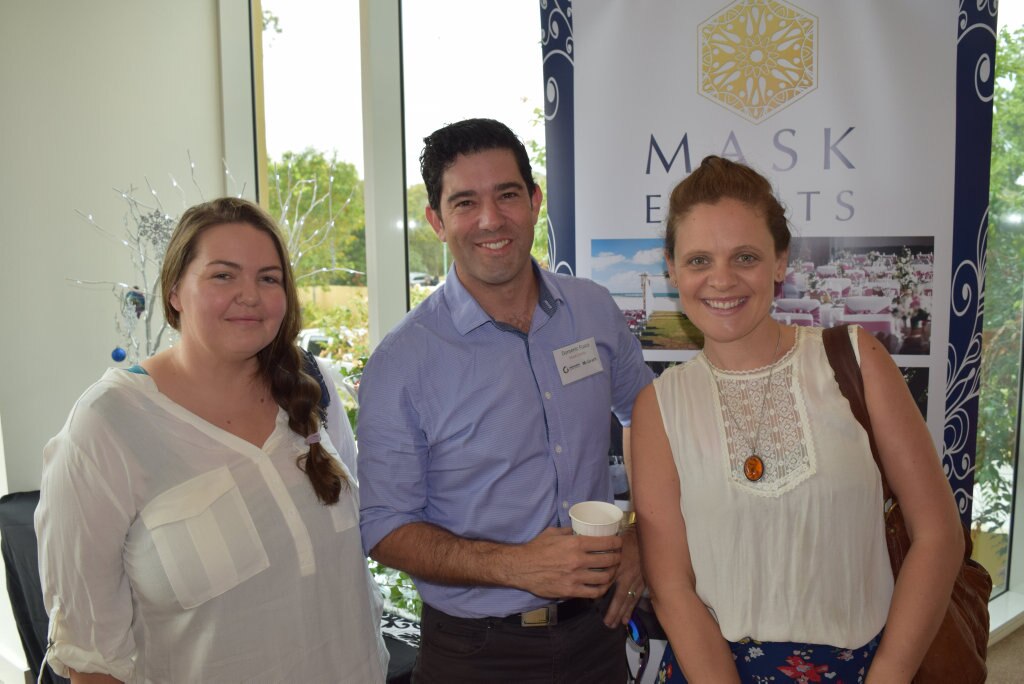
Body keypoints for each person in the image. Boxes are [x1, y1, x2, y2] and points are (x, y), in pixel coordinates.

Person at [631, 156, 965, 683]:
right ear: (671, 270)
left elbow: (938, 534)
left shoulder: (856, 360)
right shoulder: (659, 407)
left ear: (781, 261)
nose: (721, 280)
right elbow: (671, 585)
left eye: (744, 256)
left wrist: (889, 675)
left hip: (867, 670)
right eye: (698, 260)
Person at [36, 197, 388, 683]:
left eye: (269, 278)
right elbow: (90, 658)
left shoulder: (313, 386)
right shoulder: (106, 426)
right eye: (223, 275)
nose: (250, 295)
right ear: (176, 290)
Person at [357, 118, 655, 682]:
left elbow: (648, 417)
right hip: (478, 653)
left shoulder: (592, 311)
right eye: (465, 202)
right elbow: (386, 528)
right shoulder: (400, 364)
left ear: (536, 200)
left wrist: (641, 531)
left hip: (599, 633)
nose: (491, 220)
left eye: (508, 195)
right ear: (436, 222)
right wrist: (517, 565)